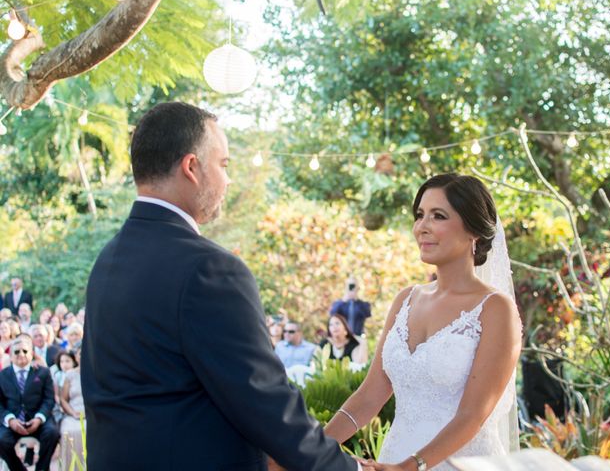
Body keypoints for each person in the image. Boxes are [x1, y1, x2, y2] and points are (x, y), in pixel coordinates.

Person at [82, 102, 366, 471]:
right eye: (224, 164)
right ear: (191, 167)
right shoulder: (208, 268)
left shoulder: (108, 259)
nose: (228, 180)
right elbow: (264, 402)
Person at [325, 174, 522, 471]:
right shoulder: (405, 299)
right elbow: (369, 396)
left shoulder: (495, 309)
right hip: (394, 458)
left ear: (474, 230)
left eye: (438, 216)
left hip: (460, 464)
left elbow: (473, 415)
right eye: (420, 215)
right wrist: (308, 450)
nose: (422, 227)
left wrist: (411, 466)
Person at [0, 335, 59, 471]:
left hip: (38, 419)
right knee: (1, 440)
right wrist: (10, 420)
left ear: (31, 353)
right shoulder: (2, 375)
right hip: (13, 421)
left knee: (52, 433)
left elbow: (49, 399)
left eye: (25, 351)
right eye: (17, 351)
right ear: (10, 355)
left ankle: (42, 469)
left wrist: (39, 418)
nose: (21, 354)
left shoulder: (43, 372)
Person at [60, 347, 85, 469]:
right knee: (69, 431)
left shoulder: (98, 373)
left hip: (92, 413)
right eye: (81, 354)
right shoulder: (70, 375)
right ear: (76, 357)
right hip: (73, 412)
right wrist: (73, 413)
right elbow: (63, 399)